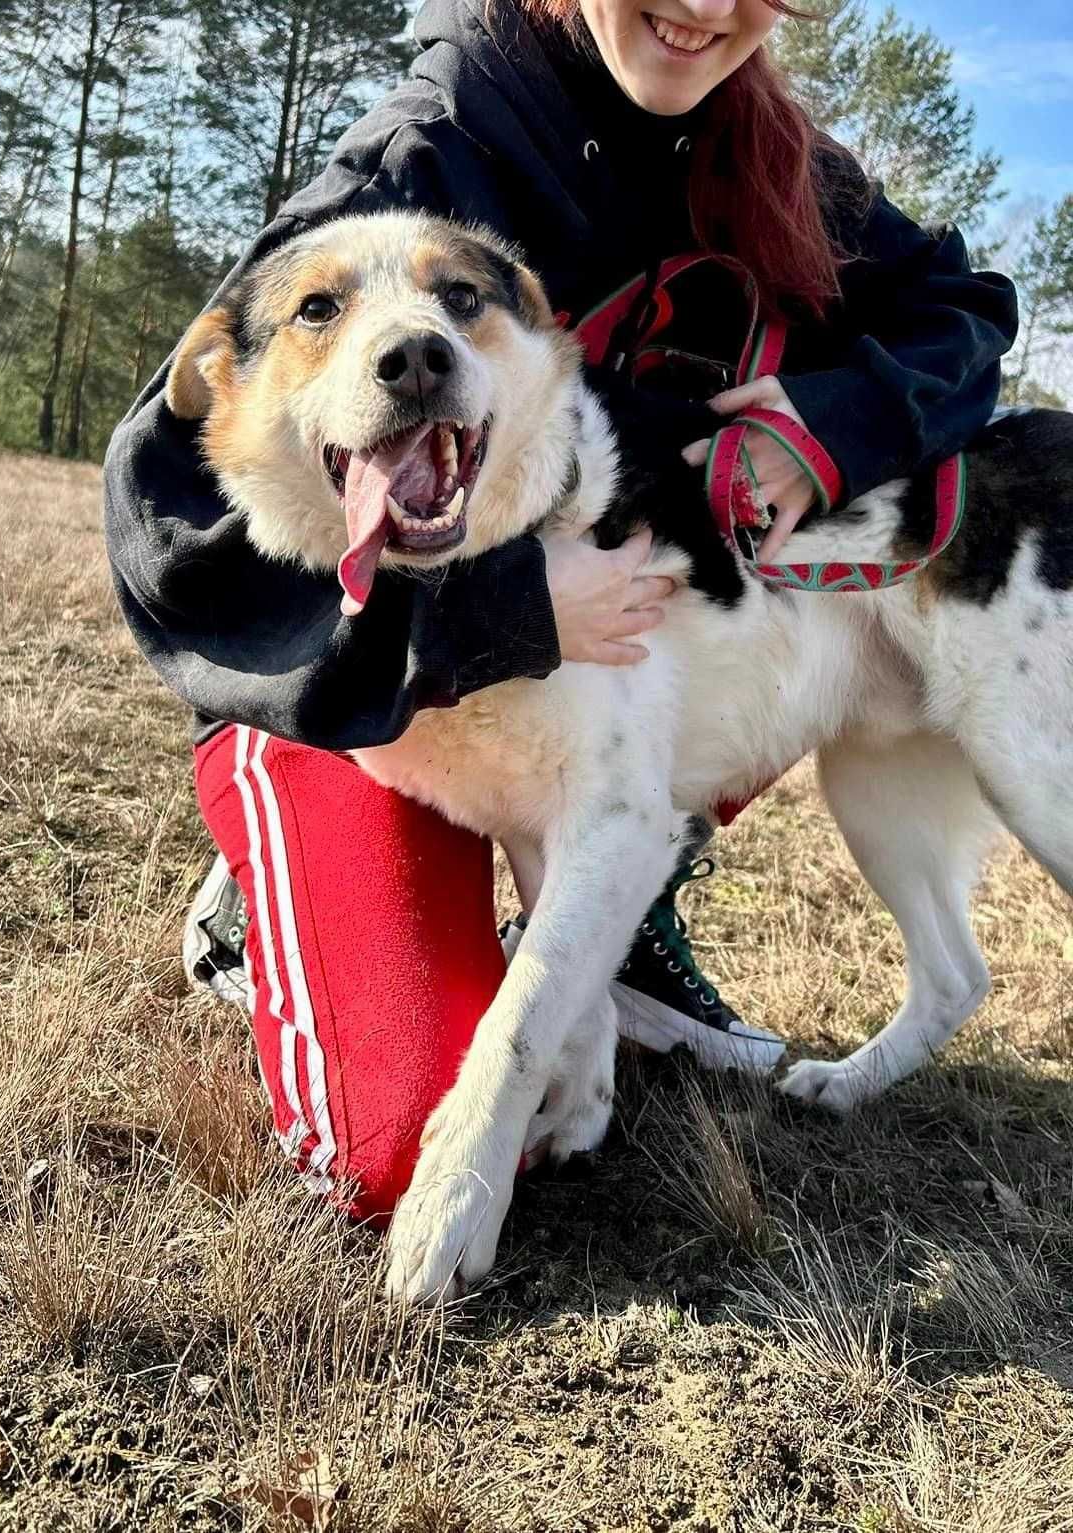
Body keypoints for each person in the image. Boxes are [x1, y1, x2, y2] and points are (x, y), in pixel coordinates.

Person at [103, 0, 1017, 1221]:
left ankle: (608, 912)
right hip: (350, 706)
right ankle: (263, 905)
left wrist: (831, 424)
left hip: (598, 687)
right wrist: (510, 604)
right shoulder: (425, 158)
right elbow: (173, 525)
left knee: (728, 638)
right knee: (390, 1148)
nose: (701, 8)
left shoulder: (777, 162)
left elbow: (961, 313)